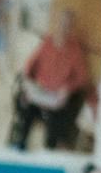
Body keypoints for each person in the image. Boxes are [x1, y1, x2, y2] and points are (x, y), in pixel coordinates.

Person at [9, 8, 95, 150]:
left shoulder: (75, 49)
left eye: (67, 25)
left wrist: (68, 88)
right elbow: (29, 66)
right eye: (62, 23)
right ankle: (19, 144)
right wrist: (28, 84)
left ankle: (50, 148)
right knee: (24, 103)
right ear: (57, 24)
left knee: (59, 114)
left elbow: (82, 78)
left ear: (71, 27)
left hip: (56, 96)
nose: (63, 27)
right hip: (39, 91)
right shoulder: (47, 42)